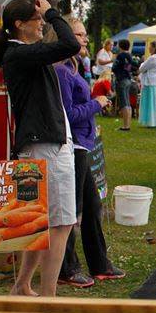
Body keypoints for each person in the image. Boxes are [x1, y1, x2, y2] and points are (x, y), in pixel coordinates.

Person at [0, 0, 80, 297]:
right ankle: (49, 296)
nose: (42, 22)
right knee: (61, 223)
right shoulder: (19, 54)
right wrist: (53, 13)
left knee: (38, 223)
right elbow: (70, 45)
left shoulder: (19, 55)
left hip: (36, 146)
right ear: (19, 24)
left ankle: (22, 285)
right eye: (37, 18)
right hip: (46, 148)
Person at [55, 17, 125, 288]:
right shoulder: (62, 71)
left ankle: (99, 263)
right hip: (72, 146)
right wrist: (96, 104)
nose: (84, 39)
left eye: (84, 34)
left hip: (84, 143)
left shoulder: (74, 68)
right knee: (71, 211)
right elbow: (67, 115)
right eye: (79, 35)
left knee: (92, 207)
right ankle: (66, 267)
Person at [139, 41, 156, 127]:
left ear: (154, 48)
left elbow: (142, 68)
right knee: (155, 103)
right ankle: (155, 121)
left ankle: (149, 121)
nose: (149, 48)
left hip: (149, 82)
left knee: (149, 102)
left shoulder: (152, 58)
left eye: (150, 47)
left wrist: (142, 64)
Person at [112, 39, 134, 131]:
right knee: (128, 103)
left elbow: (114, 67)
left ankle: (125, 126)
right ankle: (128, 124)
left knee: (124, 103)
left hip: (121, 79)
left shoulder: (120, 56)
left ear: (120, 46)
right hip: (128, 79)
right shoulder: (129, 55)